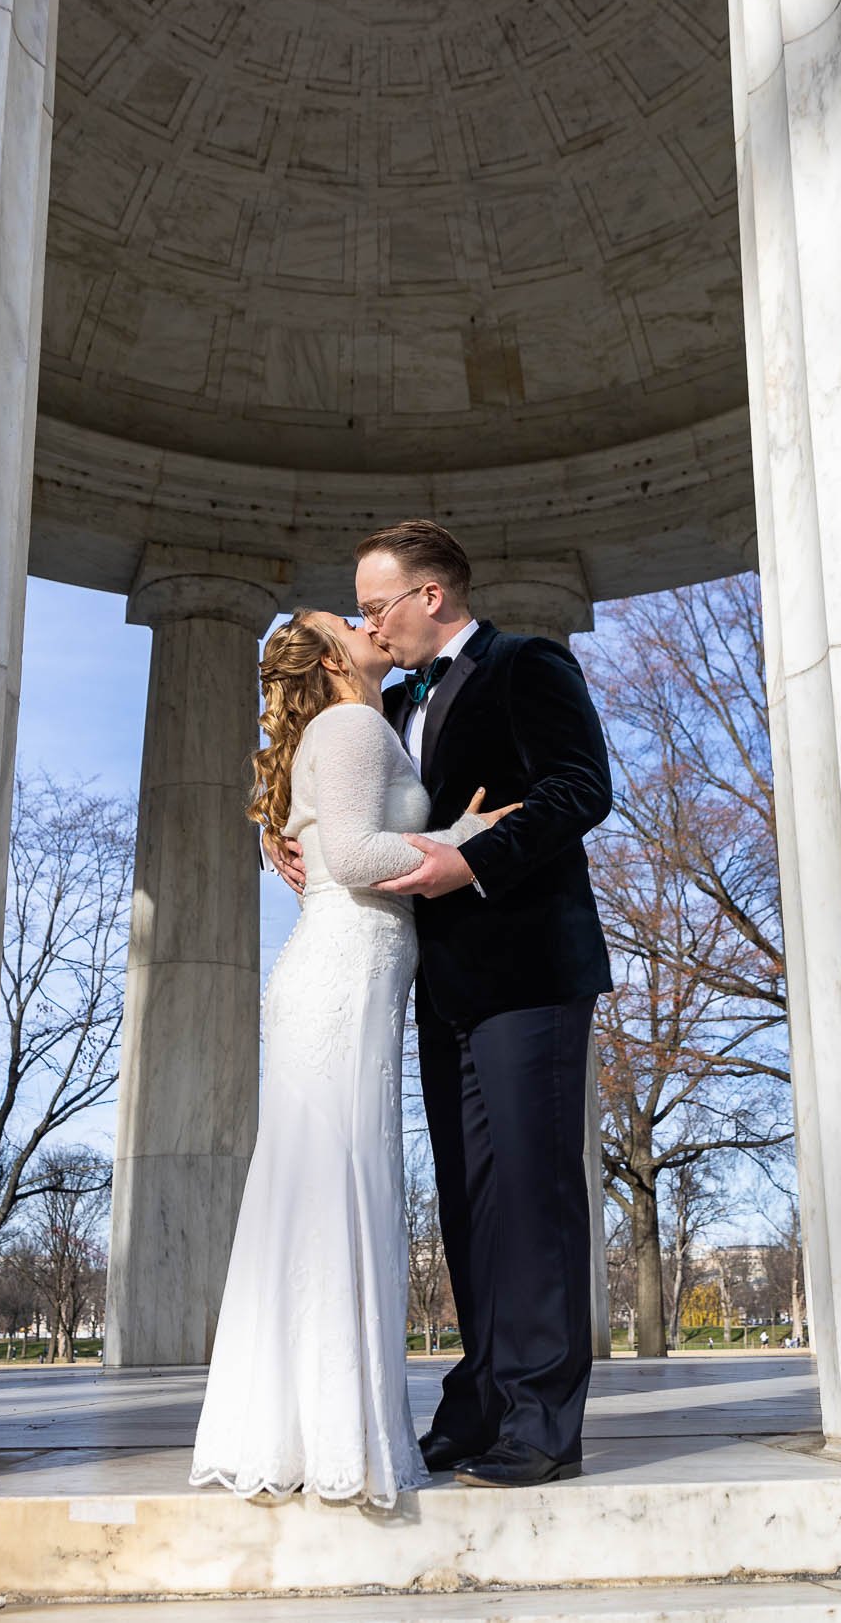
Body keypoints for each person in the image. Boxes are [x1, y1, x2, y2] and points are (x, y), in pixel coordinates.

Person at [267, 520, 614, 1489]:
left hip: (529, 967)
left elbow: (582, 788)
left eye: (376, 602)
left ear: (432, 595)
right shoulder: (390, 705)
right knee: (469, 1202)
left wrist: (474, 855)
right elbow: (362, 817)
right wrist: (289, 836)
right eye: (360, 610)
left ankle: (542, 1422)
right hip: (435, 981)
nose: (369, 620)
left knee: (534, 1196)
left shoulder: (523, 662)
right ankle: (480, 1404)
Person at [189, 611, 514, 1507]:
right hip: (341, 973)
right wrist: (466, 838)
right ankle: (333, 1437)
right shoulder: (352, 723)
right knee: (337, 1182)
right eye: (347, 618)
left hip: (342, 974)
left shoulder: (351, 724)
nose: (366, 619)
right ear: (334, 659)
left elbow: (327, 838)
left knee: (320, 1184)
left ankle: (302, 1430)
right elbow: (357, 854)